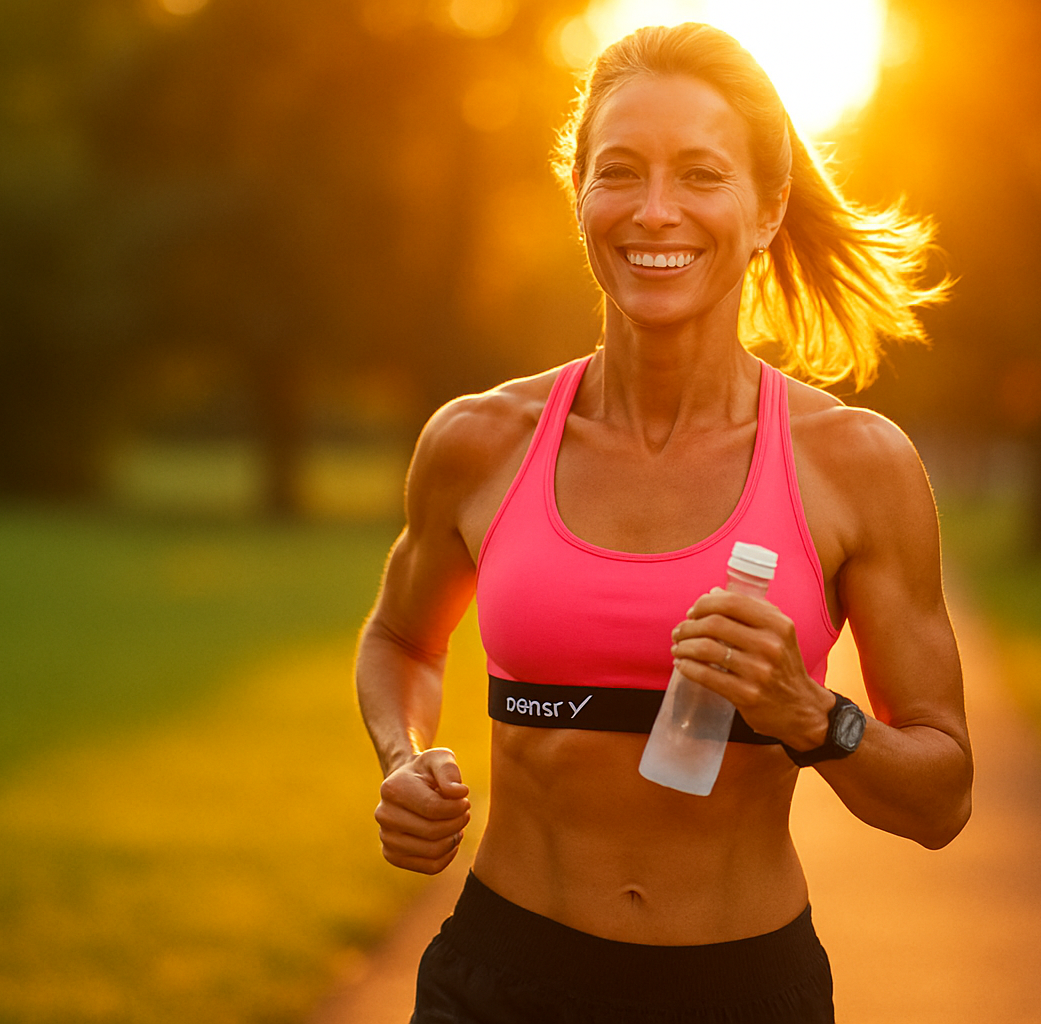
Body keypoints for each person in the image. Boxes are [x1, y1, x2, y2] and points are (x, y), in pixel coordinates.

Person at [356, 21, 972, 1024]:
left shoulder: (857, 466)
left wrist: (812, 715)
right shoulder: (478, 441)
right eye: (619, 171)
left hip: (741, 993)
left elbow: (943, 797)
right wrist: (402, 756)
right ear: (579, 195)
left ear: (767, 208)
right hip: (500, 981)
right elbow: (400, 639)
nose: (654, 210)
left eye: (699, 174)